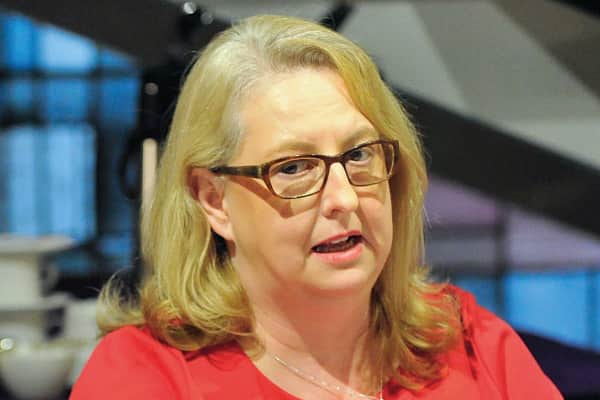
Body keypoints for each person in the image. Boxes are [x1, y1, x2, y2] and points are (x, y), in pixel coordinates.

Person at [70, 15, 562, 400]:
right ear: (214, 200)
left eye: (359, 154)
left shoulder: (471, 343)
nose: (344, 198)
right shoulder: (143, 378)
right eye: (293, 168)